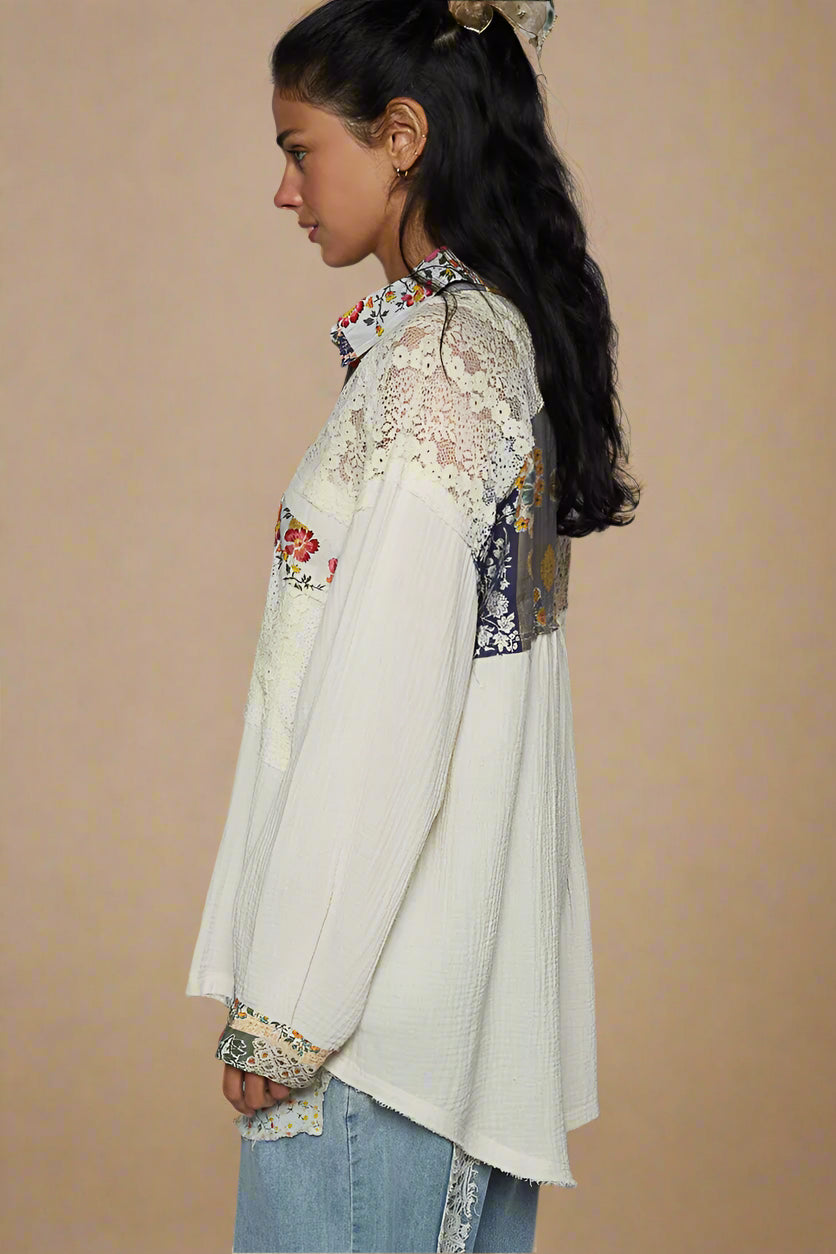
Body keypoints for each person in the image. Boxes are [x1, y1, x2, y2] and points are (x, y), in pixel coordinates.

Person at [185, 2, 642, 1250]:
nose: (285, 192)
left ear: (400, 137)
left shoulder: (437, 371)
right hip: (445, 1020)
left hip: (374, 1041)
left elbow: (384, 721)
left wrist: (286, 1007)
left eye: (296, 149)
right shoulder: (484, 344)